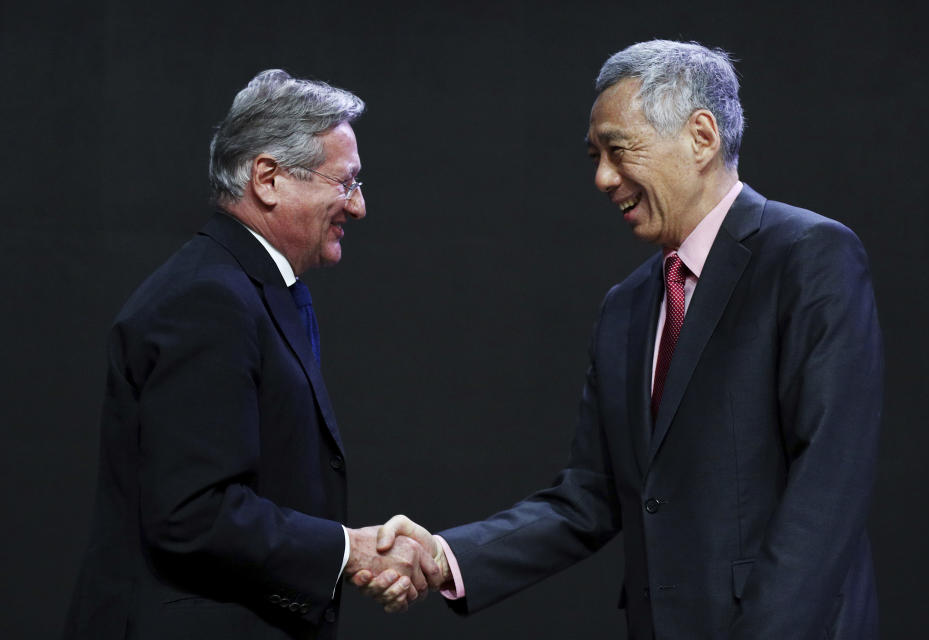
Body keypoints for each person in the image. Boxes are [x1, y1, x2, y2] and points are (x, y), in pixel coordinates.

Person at [359, 40, 883, 639]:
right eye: (594, 156)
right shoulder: (627, 307)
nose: (604, 178)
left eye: (618, 149)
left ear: (702, 137)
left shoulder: (809, 256)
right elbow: (589, 496)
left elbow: (829, 484)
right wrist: (443, 557)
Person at [63, 69, 440, 640]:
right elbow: (194, 514)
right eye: (346, 183)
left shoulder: (251, 288)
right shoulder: (206, 299)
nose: (358, 207)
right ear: (268, 178)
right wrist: (350, 550)